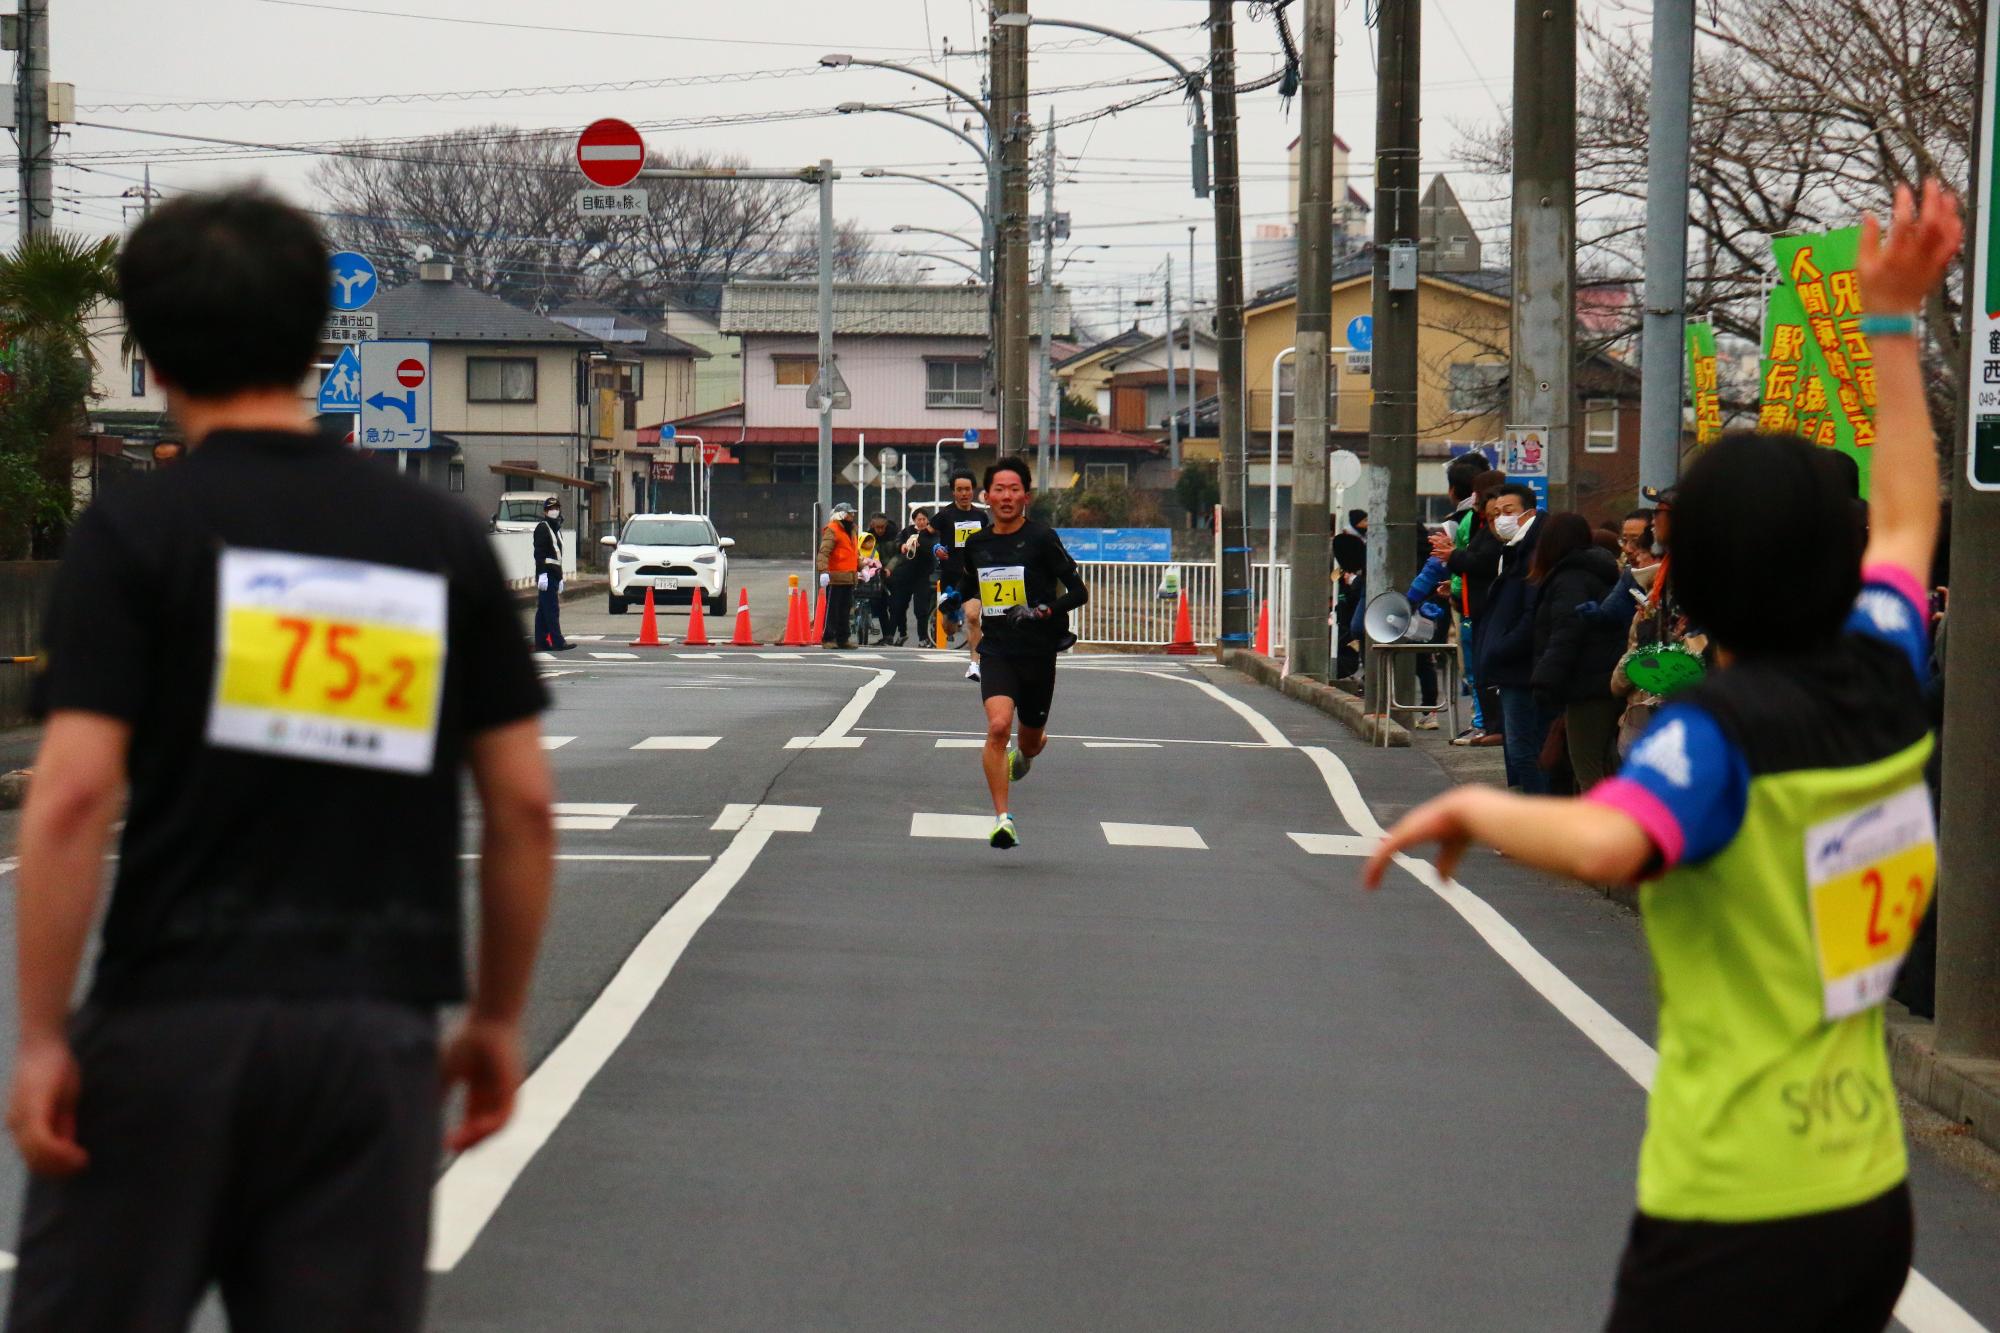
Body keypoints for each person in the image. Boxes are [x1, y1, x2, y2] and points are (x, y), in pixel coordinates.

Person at [1366, 180, 1961, 1332]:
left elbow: (1613, 834)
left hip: (1731, 1209)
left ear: (1704, 581)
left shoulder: (1716, 734)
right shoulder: (1887, 663)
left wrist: (1479, 815)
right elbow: (1904, 511)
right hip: (1863, 1199)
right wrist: (1888, 327)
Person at [6, 188, 556, 1332]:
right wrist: (496, 1018)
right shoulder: (433, 538)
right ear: (317, 343)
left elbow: (65, 800)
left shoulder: (137, 533)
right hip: (372, 1039)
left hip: (170, 1024)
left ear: (148, 353)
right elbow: (520, 808)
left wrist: (47, 1035)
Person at [954, 456, 1088, 849]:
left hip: (1039, 652)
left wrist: (1046, 609)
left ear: (1025, 496)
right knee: (998, 727)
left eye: (1014, 490)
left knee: (1028, 741)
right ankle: (1002, 819)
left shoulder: (1042, 538)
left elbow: (1078, 592)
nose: (1007, 496)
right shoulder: (977, 545)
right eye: (999, 489)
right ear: (986, 496)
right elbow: (967, 588)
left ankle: (1028, 753)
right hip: (996, 650)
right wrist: (963, 605)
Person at [1527, 512, 1626, 793]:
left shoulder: (1569, 579)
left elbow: (1566, 632)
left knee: (1587, 765)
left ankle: (1598, 831)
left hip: (1586, 684)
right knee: (1602, 762)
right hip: (1605, 678)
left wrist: (1545, 679)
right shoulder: (1599, 571)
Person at [1471, 483, 1547, 791]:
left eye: (1508, 512)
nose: (1500, 519)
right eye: (1495, 514)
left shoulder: (1532, 553)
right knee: (1519, 751)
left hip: (1522, 668)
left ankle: (1533, 824)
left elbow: (1530, 615)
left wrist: (1500, 649)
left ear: (1529, 513)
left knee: (1524, 751)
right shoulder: (1512, 551)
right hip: (1511, 667)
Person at [1433, 470, 1509, 747]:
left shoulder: (1489, 531)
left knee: (1483, 669)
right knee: (1477, 668)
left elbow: (1481, 561)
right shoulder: (1475, 523)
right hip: (1471, 603)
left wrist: (1452, 555)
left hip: (1484, 606)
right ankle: (1486, 723)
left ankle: (1488, 724)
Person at [931, 470, 992, 678]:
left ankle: (975, 665)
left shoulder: (981, 516)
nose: (964, 493)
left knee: (974, 616)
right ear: (953, 492)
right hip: (951, 577)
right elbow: (924, 535)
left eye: (967, 489)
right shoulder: (945, 516)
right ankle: (951, 614)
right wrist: (935, 548)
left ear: (973, 491)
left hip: (973, 576)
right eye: (960, 490)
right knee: (949, 628)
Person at [816, 501, 859, 651]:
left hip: (848, 577)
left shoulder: (852, 531)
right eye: (849, 513)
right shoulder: (833, 530)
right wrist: (823, 571)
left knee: (845, 610)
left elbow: (854, 553)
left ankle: (843, 638)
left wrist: (862, 567)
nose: (852, 516)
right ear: (841, 515)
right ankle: (828, 638)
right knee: (833, 610)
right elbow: (824, 552)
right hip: (836, 577)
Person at [892, 508, 938, 647]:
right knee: (899, 606)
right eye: (919, 519)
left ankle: (923, 638)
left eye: (924, 519)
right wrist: (903, 546)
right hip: (906, 574)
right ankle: (902, 633)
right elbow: (897, 543)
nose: (922, 522)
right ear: (914, 520)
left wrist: (921, 544)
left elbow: (934, 547)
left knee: (921, 609)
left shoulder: (931, 533)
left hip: (923, 575)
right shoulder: (907, 531)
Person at [532, 495, 573, 652]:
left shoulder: (556, 529)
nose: (554, 511)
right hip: (547, 575)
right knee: (552, 609)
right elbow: (539, 553)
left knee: (543, 611)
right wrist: (541, 574)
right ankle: (558, 641)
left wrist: (560, 577)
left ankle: (541, 642)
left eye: (556, 508)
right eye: (551, 509)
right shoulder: (543, 528)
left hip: (554, 575)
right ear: (545, 512)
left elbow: (558, 556)